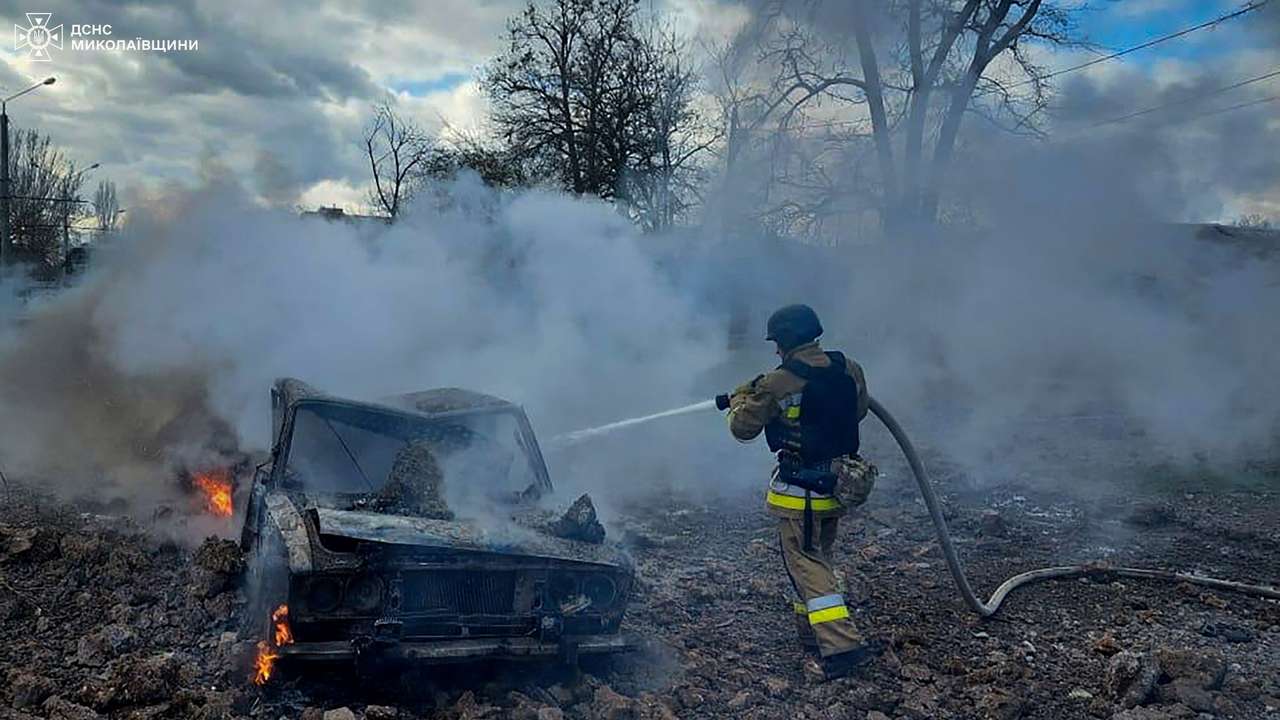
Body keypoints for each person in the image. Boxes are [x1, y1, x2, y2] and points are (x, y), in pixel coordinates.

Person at [719, 304, 879, 680]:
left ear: (788, 340)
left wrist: (740, 402)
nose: (776, 350)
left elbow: (742, 429)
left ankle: (842, 647)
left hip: (801, 493)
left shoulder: (778, 382)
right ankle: (811, 634)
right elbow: (858, 411)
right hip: (838, 484)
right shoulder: (848, 367)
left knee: (807, 562)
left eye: (777, 342)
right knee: (816, 559)